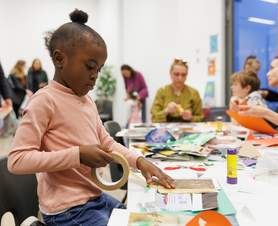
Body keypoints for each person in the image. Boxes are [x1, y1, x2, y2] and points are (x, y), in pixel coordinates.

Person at [7, 9, 174, 226]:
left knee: (148, 219)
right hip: (67, 211)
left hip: (95, 198)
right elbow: (17, 160)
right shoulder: (44, 101)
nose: (95, 75)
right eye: (89, 67)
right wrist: (77, 155)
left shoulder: (87, 101)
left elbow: (107, 143)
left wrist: (139, 161)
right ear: (60, 59)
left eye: (99, 69)